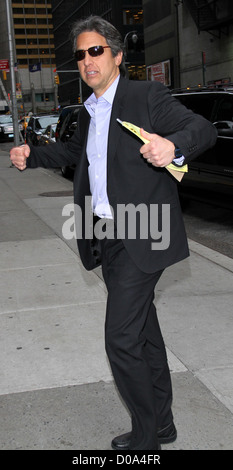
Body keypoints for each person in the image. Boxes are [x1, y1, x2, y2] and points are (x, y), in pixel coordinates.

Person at [10, 15, 217, 450]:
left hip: (146, 232)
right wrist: (33, 154)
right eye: (81, 54)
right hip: (107, 234)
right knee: (142, 333)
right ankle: (162, 424)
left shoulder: (145, 95)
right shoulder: (88, 111)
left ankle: (146, 443)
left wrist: (172, 146)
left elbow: (202, 128)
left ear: (117, 56)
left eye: (96, 51)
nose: (87, 60)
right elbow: (72, 152)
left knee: (121, 339)